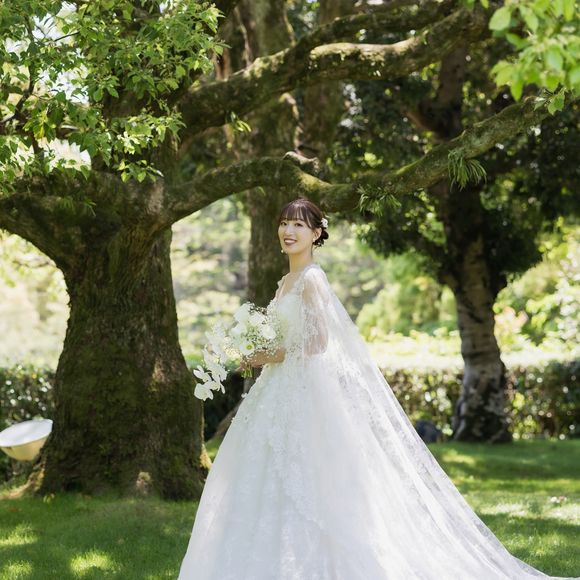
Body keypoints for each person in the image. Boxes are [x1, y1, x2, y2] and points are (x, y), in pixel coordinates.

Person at [178, 198, 576, 580]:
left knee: (310, 473)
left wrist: (267, 355)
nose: (288, 231)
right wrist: (256, 349)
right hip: (277, 389)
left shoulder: (312, 280)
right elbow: (289, 336)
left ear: (316, 234)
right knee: (268, 471)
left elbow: (318, 343)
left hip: (304, 391)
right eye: (284, 223)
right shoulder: (286, 282)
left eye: (298, 224)